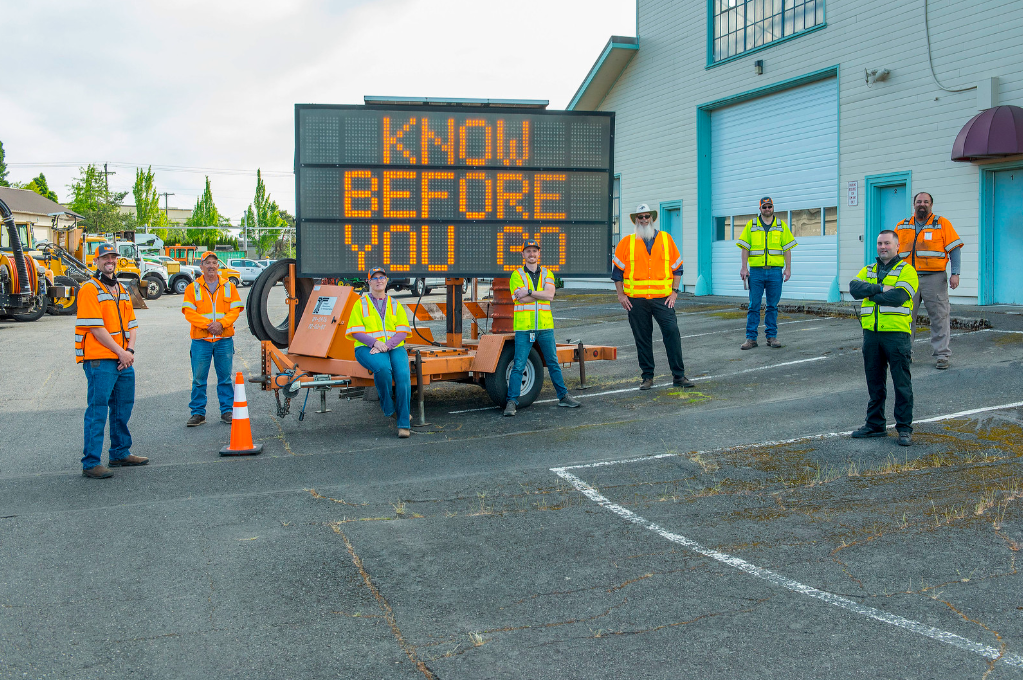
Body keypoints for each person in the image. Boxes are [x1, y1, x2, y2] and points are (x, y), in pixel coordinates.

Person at [75, 243, 147, 478]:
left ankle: (119, 453)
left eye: (113, 257)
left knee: (122, 407)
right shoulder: (89, 289)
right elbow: (96, 329)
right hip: (100, 360)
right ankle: (91, 463)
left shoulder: (122, 290)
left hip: (123, 358)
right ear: (95, 261)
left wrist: (130, 351)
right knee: (97, 411)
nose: (110, 261)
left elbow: (132, 325)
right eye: (105, 257)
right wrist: (121, 353)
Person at [612, 203, 695, 390]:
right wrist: (620, 295)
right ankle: (647, 377)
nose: (643, 220)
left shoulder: (666, 239)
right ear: (635, 220)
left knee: (672, 333)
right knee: (642, 339)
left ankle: (679, 376)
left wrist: (675, 292)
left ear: (652, 218)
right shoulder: (626, 242)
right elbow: (617, 273)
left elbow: (677, 268)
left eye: (646, 217)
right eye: (640, 217)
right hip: (636, 301)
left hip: (663, 299)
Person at [849, 230, 919, 446]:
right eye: (880, 243)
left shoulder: (907, 270)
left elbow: (898, 297)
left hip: (896, 335)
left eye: (887, 243)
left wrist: (869, 294)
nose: (883, 247)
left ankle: (904, 428)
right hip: (871, 334)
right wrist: (879, 288)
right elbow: (853, 288)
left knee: (902, 384)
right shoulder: (869, 269)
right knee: (875, 383)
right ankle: (875, 425)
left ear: (897, 247)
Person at [503, 239, 582, 416]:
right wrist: (540, 295)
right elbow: (520, 299)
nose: (532, 254)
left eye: (534, 251)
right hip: (525, 327)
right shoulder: (516, 275)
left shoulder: (548, 273)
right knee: (519, 365)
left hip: (545, 326)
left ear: (539, 254)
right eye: (528, 251)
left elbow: (550, 295)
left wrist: (530, 292)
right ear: (523, 254)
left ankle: (563, 397)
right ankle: (512, 401)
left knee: (553, 362)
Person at [893, 192, 964, 369]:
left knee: (939, 317)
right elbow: (892, 251)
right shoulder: (902, 226)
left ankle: (942, 356)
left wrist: (955, 273)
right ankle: (905, 354)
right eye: (919, 201)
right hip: (908, 278)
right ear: (914, 204)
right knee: (905, 317)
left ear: (931, 205)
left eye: (926, 202)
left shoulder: (942, 223)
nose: (922, 204)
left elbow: (954, 249)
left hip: (935, 278)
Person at [345, 268, 413, 438]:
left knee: (404, 375)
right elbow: (356, 332)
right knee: (383, 369)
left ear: (386, 280)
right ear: (368, 282)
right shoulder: (360, 304)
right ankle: (389, 408)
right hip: (366, 348)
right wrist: (375, 343)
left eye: (381, 277)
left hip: (393, 347)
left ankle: (404, 424)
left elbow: (402, 331)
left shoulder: (395, 304)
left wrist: (387, 346)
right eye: (374, 278)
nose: (378, 281)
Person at [182, 251, 244, 426]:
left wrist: (222, 324)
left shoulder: (228, 287)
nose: (211, 265)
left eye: (214, 262)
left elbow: (236, 309)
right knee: (199, 379)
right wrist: (209, 325)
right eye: (207, 262)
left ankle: (227, 411)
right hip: (201, 341)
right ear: (201, 266)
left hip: (223, 339)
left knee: (225, 378)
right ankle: (198, 413)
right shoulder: (192, 288)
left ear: (218, 266)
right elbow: (189, 312)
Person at [737, 197, 798, 349]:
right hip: (756, 273)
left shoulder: (781, 225)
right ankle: (751, 339)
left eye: (769, 206)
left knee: (772, 306)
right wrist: (744, 267)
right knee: (753, 306)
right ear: (760, 209)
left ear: (773, 207)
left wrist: (788, 268)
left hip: (775, 272)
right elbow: (745, 248)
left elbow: (787, 249)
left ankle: (772, 337)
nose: (767, 209)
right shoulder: (752, 225)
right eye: (764, 207)